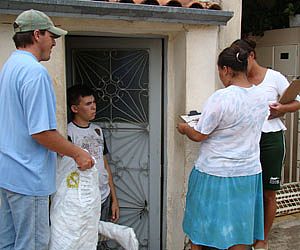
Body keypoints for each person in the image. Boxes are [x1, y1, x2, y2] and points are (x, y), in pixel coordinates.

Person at [0, 9, 95, 250]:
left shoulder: (9, 67)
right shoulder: (35, 73)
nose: (54, 42)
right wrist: (77, 153)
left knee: (9, 243)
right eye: (51, 35)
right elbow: (41, 132)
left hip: (8, 174)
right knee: (31, 245)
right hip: (28, 176)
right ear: (36, 34)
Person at [177, 46, 269, 250]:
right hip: (248, 174)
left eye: (219, 71)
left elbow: (200, 134)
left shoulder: (221, 97)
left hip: (214, 174)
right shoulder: (262, 97)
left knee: (200, 233)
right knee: (240, 232)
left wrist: (184, 128)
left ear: (226, 69)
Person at [231, 38, 300, 250]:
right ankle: (242, 236)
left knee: (268, 192)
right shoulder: (237, 78)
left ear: (251, 55)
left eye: (243, 59)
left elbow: (296, 101)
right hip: (245, 139)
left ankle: (262, 239)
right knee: (243, 190)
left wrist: (281, 109)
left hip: (270, 139)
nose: (240, 64)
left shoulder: (274, 77)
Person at [67, 84, 120, 248]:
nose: (94, 106)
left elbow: (104, 164)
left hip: (103, 196)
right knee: (82, 241)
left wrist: (114, 199)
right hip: (82, 198)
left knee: (99, 241)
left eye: (94, 102)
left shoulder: (97, 130)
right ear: (75, 108)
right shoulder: (68, 132)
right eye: (88, 104)